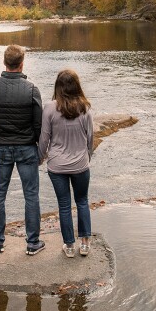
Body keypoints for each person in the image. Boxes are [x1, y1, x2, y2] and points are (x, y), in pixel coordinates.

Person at [0, 44, 45, 255]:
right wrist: (35, 144)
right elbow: (39, 124)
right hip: (26, 148)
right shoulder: (32, 89)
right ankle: (33, 243)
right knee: (31, 195)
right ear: (22, 63)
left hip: (2, 148)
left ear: (5, 63)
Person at [38, 69, 94, 258]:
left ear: (58, 87)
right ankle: (85, 244)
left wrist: (40, 158)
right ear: (77, 86)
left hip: (57, 166)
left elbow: (44, 139)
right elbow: (90, 138)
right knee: (82, 201)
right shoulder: (85, 107)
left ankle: (69, 246)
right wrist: (87, 158)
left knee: (64, 205)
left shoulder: (49, 108)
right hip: (80, 164)